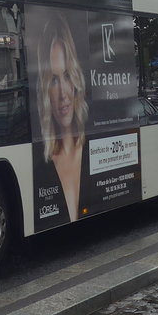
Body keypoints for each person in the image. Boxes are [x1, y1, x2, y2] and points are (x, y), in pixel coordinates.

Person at [36, 15, 88, 222]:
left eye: (67, 76)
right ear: (44, 89)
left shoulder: (93, 146)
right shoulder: (41, 165)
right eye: (54, 80)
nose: (63, 95)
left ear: (75, 80)